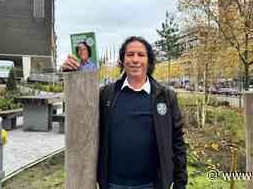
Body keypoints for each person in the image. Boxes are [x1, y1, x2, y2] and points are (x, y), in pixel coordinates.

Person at [61, 36, 187, 189]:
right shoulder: (106, 94)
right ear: (122, 60)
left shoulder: (165, 96)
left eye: (141, 55)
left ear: (149, 61)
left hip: (152, 184)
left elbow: (177, 141)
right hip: (113, 183)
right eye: (130, 54)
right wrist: (71, 75)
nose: (135, 60)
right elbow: (80, 115)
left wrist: (180, 182)